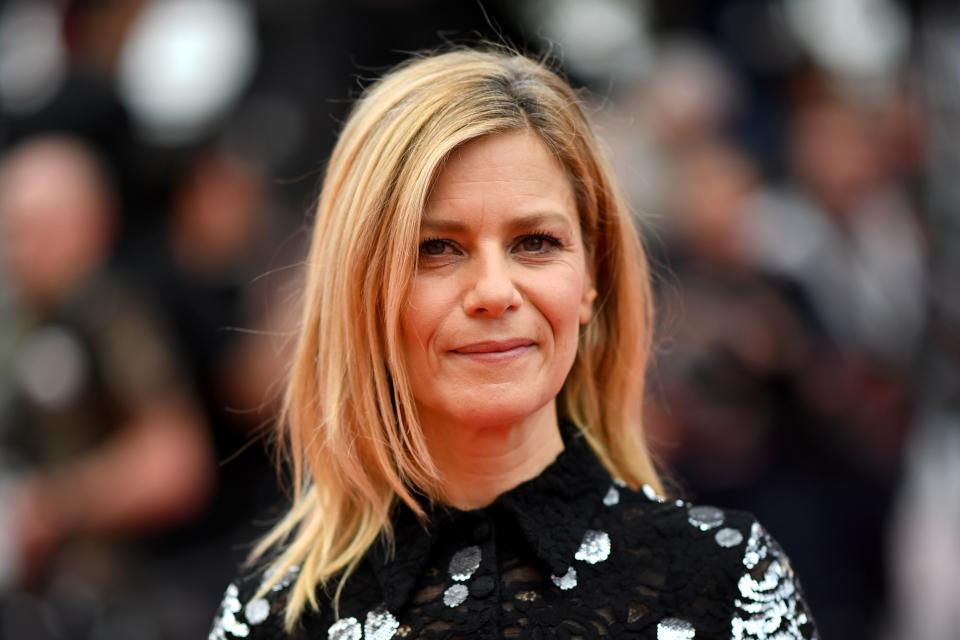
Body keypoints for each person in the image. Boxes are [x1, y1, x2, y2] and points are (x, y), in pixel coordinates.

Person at [210, 49, 818, 640]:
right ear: (364, 291)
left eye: (535, 243)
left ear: (591, 278)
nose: (495, 292)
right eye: (436, 249)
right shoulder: (275, 616)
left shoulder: (727, 578)